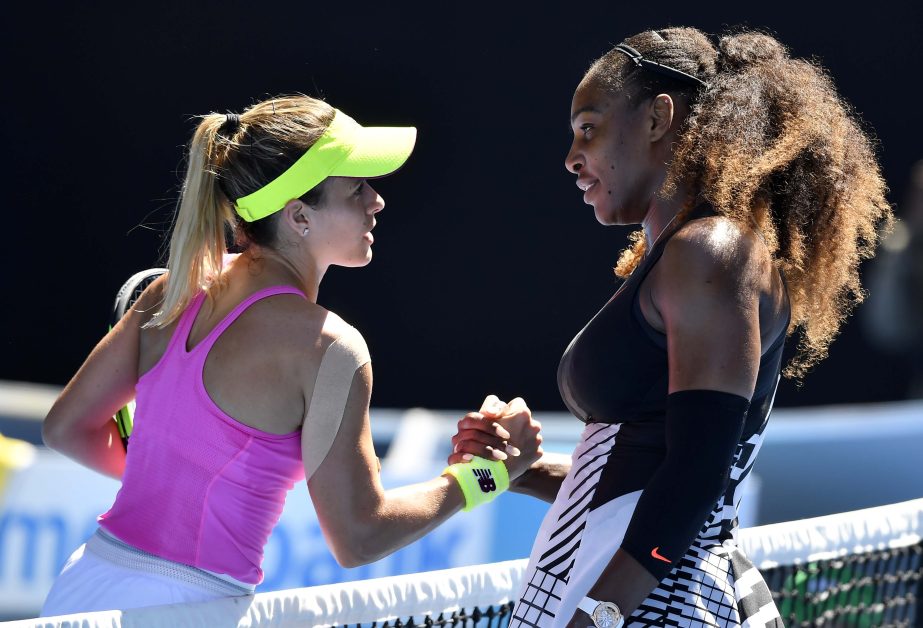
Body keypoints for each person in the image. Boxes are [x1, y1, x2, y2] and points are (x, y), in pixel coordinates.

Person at [451, 28, 891, 627]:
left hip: (649, 609)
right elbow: (640, 476)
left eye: (588, 128)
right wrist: (524, 472)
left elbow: (695, 474)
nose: (571, 157)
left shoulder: (712, 252)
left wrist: (597, 616)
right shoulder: (692, 256)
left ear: (659, 117)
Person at [40, 94, 542, 616]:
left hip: (81, 591)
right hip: (191, 609)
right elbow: (359, 537)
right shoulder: (329, 349)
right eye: (357, 188)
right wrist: (484, 477)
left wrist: (170, 468)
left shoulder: (170, 290)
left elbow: (65, 430)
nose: (377, 201)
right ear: (299, 215)